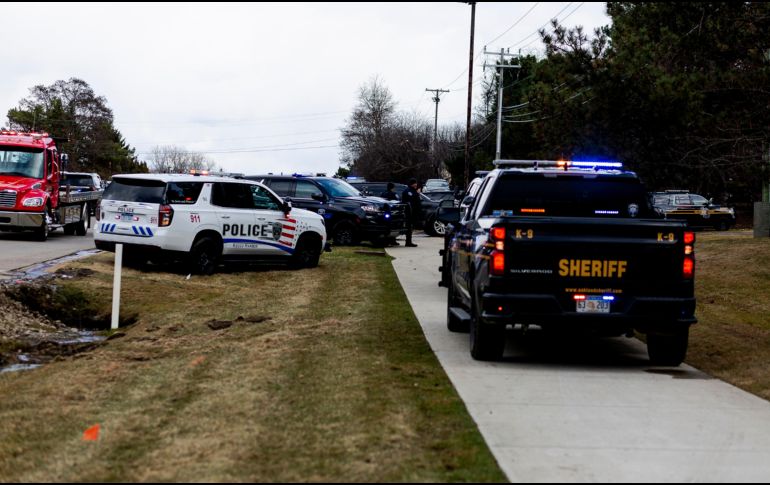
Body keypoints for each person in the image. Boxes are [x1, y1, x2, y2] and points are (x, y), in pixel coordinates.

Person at [401, 178, 422, 247]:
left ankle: (409, 241)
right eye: (415, 183)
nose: (416, 185)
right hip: (409, 212)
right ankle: (408, 242)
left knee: (411, 227)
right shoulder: (408, 191)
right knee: (409, 227)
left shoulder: (413, 190)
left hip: (414, 212)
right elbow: (412, 198)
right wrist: (417, 193)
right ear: (411, 184)